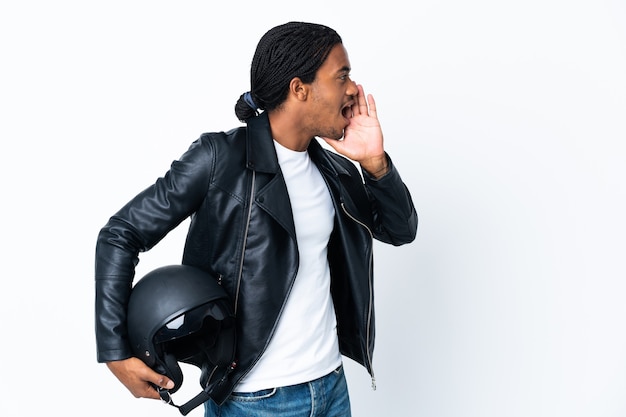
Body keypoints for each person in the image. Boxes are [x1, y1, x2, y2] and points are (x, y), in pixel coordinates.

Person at [95, 21, 418, 417]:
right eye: (342, 76)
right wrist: (114, 352)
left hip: (331, 386)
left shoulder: (334, 170)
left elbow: (401, 230)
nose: (353, 88)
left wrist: (375, 163)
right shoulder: (219, 159)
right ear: (300, 89)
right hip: (255, 401)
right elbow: (120, 234)